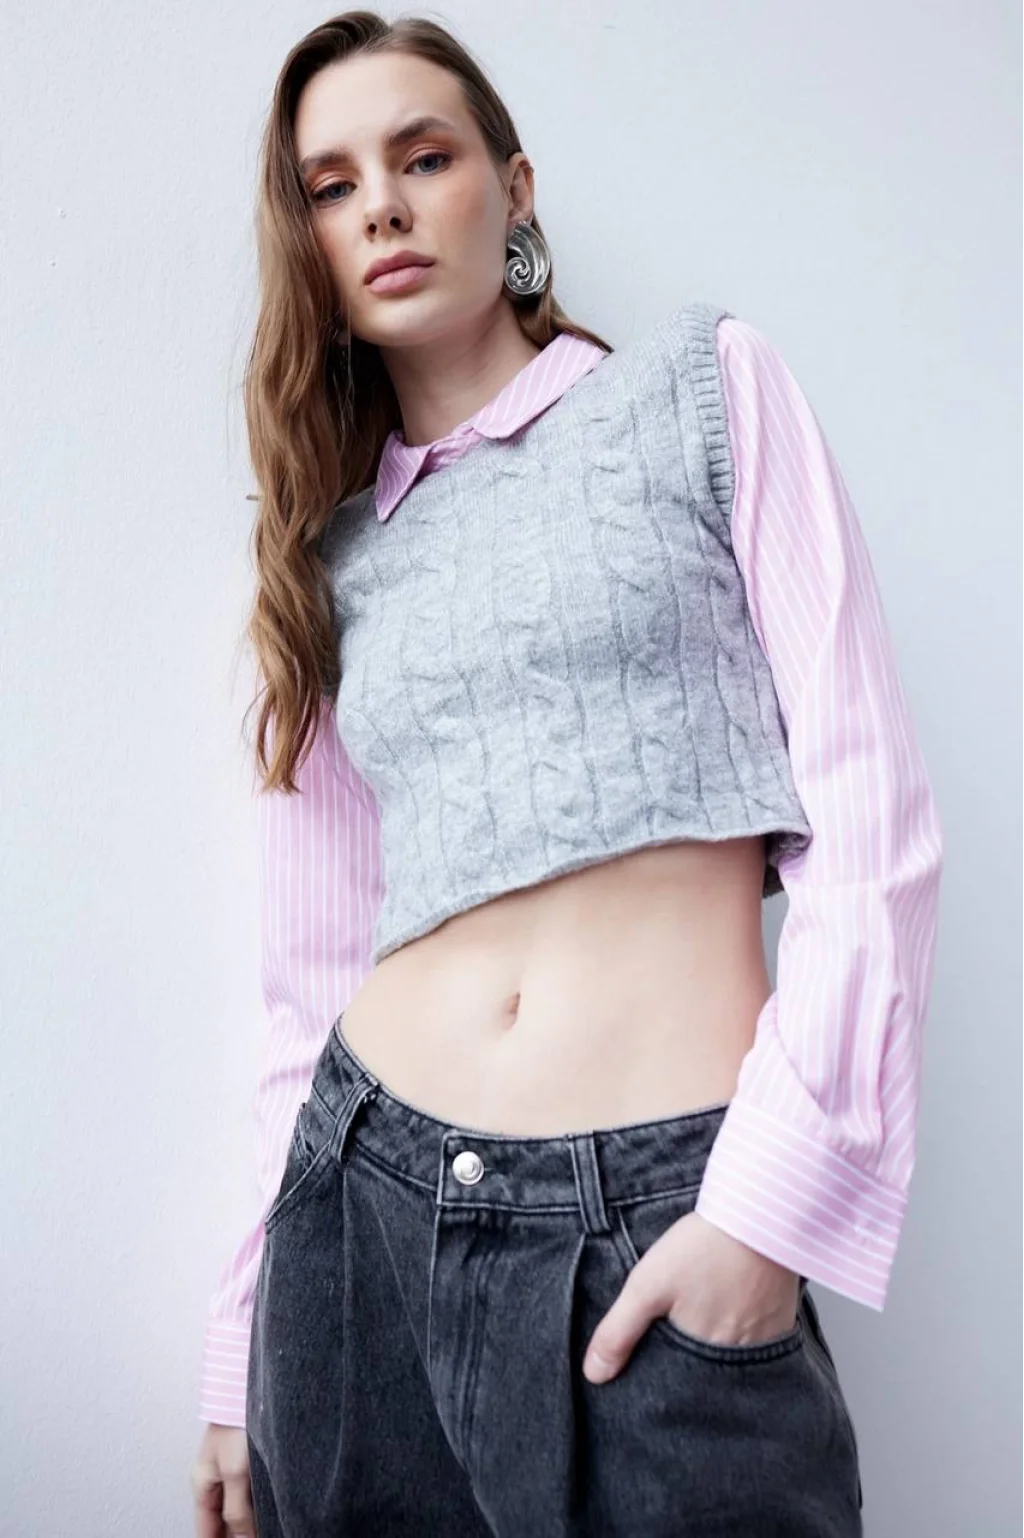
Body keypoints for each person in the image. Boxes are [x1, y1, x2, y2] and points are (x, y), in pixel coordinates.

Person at [190, 10, 943, 1537]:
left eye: (423, 157)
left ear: (514, 188)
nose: (382, 207)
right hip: (362, 1230)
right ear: (307, 244)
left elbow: (873, 830)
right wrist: (236, 1345)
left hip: (667, 1212)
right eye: (331, 186)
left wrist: (766, 1214)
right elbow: (305, 991)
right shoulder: (325, 564)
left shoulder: (697, 389)